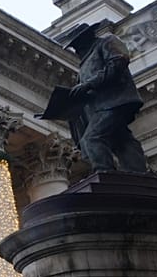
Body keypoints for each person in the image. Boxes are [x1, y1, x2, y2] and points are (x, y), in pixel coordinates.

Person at [54, 22, 147, 173]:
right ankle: (138, 171)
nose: (76, 50)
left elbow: (118, 62)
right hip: (100, 107)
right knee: (122, 140)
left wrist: (88, 85)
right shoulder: (84, 63)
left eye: (77, 44)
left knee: (92, 139)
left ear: (86, 38)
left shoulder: (107, 42)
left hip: (114, 102)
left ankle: (105, 172)